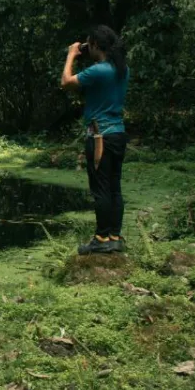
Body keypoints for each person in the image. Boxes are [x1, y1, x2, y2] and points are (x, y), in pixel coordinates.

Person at [61, 26, 129, 255]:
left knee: (100, 189)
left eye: (89, 45)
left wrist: (71, 54)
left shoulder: (99, 71)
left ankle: (101, 238)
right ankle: (115, 237)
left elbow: (67, 82)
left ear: (96, 46)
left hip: (100, 137)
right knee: (114, 187)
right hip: (118, 133)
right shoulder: (121, 69)